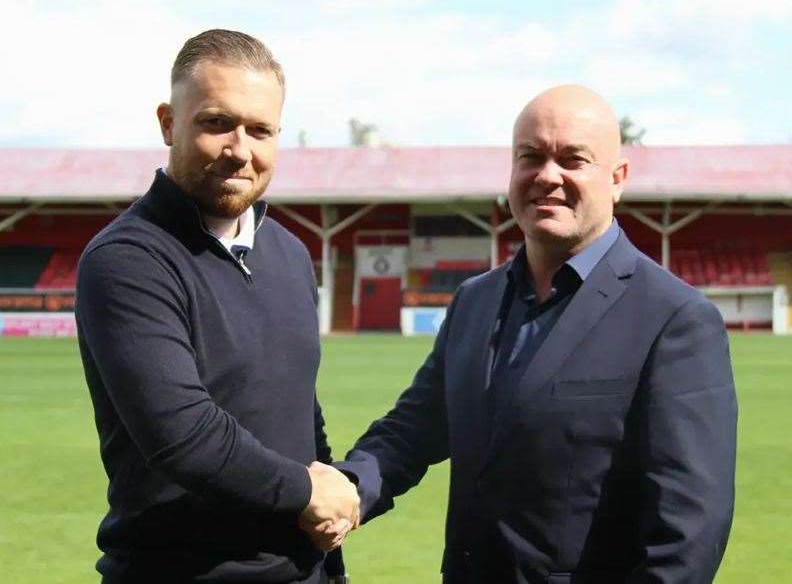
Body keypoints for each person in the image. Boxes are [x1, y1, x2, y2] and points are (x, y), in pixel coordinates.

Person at [328, 85, 738, 583]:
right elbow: (415, 428)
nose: (548, 176)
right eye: (531, 157)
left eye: (573, 159)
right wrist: (349, 486)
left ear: (618, 178)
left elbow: (687, 535)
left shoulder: (674, 318)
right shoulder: (474, 301)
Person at [76, 29, 357, 583]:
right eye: (216, 123)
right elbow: (183, 433)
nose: (240, 150)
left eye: (260, 130)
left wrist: (332, 521)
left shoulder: (291, 254)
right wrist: (308, 491)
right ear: (168, 123)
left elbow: (300, 407)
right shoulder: (128, 259)